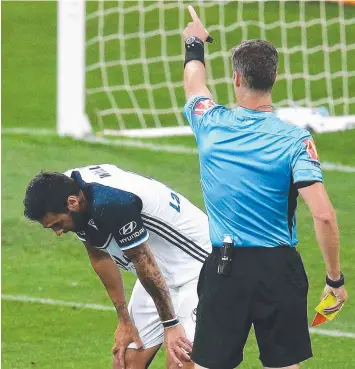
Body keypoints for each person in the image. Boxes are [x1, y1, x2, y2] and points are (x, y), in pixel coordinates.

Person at [181, 6, 348, 369]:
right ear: (273, 77)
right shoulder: (295, 140)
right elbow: (322, 214)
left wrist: (194, 42)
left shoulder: (210, 122)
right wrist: (335, 278)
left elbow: (194, 81)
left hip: (226, 268)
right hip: (278, 268)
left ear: (237, 79)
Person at [23, 163, 212, 369]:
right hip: (157, 271)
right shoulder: (69, 191)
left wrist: (171, 325)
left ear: (73, 203)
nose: (58, 232)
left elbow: (143, 261)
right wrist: (124, 320)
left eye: (57, 225)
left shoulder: (111, 203)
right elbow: (99, 255)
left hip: (198, 267)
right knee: (124, 362)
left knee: (180, 361)